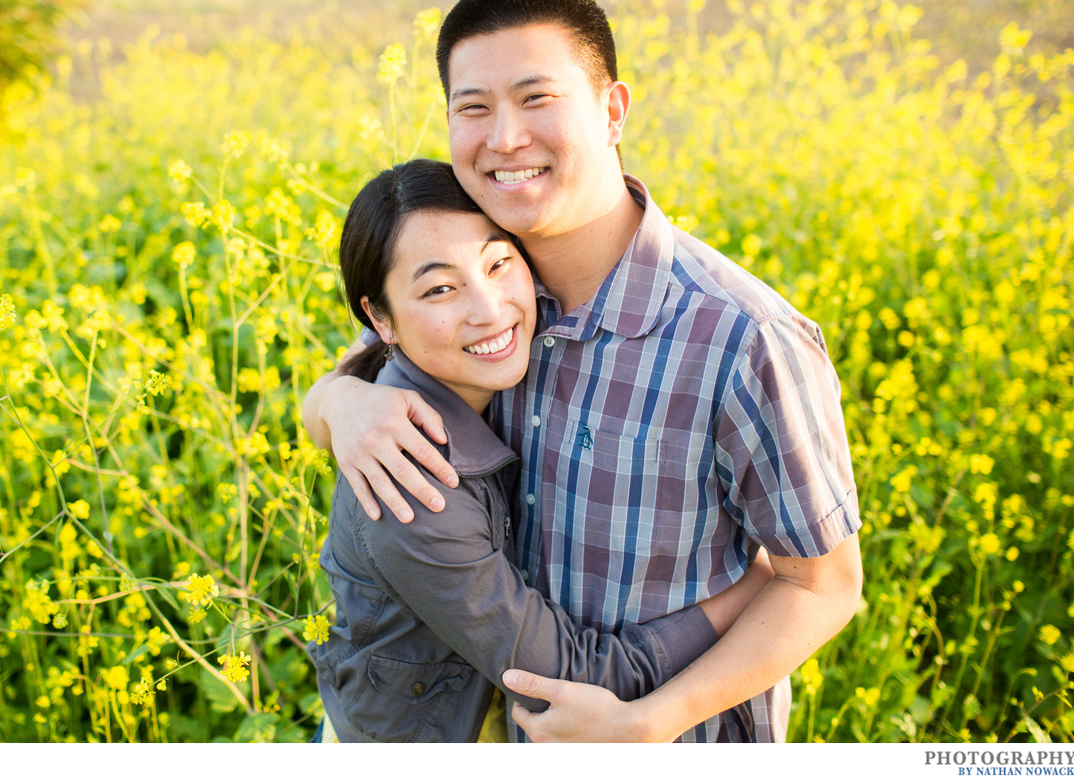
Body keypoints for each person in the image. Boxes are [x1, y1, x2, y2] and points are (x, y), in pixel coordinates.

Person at [304, 0, 863, 742]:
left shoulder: (741, 337)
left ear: (612, 110)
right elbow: (364, 368)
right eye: (474, 108)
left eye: (537, 99)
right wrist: (339, 404)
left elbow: (826, 585)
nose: (503, 138)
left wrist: (652, 722)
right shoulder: (487, 274)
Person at [309, 158, 772, 743]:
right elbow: (567, 679)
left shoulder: (469, 353)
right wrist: (754, 584)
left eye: (499, 262)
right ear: (380, 320)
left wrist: (333, 397)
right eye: (441, 288)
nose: (490, 309)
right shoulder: (416, 484)